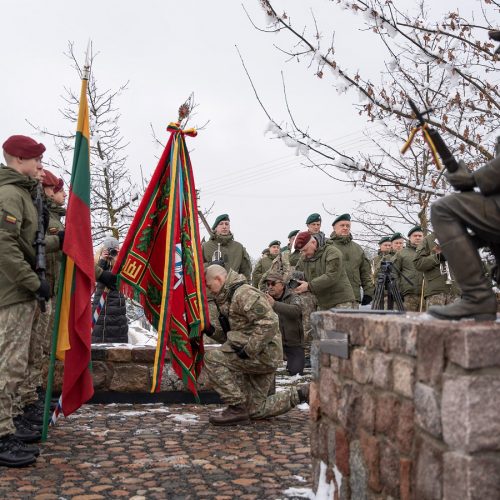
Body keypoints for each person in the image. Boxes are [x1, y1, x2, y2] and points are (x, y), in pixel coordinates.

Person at [0, 135, 58, 467]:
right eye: (36, 159)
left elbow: (28, 242)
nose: (40, 165)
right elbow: (6, 247)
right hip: (12, 292)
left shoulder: (22, 194)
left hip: (21, 291)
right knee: (7, 367)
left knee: (15, 365)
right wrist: (33, 281)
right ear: (19, 159)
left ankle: (8, 426)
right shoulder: (9, 194)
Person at [202, 265, 309, 425]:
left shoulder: (243, 293)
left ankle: (236, 408)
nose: (210, 292)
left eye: (209, 287)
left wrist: (249, 350)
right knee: (255, 410)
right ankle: (303, 393)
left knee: (212, 358)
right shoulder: (230, 297)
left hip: (262, 354)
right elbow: (232, 335)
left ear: (219, 279)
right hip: (259, 354)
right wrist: (210, 330)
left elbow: (270, 322)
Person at [427, 154, 500, 321]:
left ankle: (477, 296)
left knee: (443, 209)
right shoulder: (425, 242)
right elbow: (420, 263)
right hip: (435, 288)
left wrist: (473, 178)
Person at [293, 231, 356, 309]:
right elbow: (298, 273)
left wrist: (309, 286)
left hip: (341, 302)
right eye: (301, 251)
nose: (303, 253)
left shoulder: (332, 252)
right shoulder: (304, 258)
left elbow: (331, 276)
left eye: (305, 250)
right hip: (322, 304)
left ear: (313, 243)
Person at [264, 272, 305, 375]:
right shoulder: (263, 298)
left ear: (282, 285)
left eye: (273, 283)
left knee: (296, 372)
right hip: (272, 344)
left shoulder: (293, 296)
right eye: (268, 284)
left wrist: (274, 304)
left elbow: (296, 311)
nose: (270, 287)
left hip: (293, 344)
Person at [329, 213, 374, 307]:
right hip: (332, 298)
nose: (345, 228)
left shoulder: (357, 249)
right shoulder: (327, 247)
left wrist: (368, 292)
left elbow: (365, 273)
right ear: (334, 227)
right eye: (342, 225)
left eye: (348, 226)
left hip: (354, 297)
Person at [92, 237, 128, 343]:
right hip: (100, 311)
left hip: (117, 311)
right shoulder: (98, 262)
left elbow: (125, 278)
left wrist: (118, 259)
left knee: (118, 341)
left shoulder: (123, 261)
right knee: (97, 340)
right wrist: (102, 260)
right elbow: (95, 277)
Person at [414, 232, 459, 308]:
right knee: (435, 319)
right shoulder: (427, 240)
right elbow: (418, 264)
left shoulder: (458, 238)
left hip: (456, 291)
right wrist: (437, 257)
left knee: (456, 320)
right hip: (436, 292)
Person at [202, 214, 252, 281]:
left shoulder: (239, 247)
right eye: (221, 224)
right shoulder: (205, 246)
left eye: (227, 224)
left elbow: (246, 272)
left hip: (233, 289)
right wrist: (211, 265)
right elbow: (197, 269)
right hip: (212, 288)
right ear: (215, 228)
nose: (224, 226)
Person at [392, 226, 425, 312]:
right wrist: (398, 291)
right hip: (408, 295)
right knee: (407, 321)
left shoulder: (428, 252)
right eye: (415, 236)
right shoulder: (401, 253)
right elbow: (394, 273)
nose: (417, 238)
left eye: (420, 236)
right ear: (409, 238)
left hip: (425, 295)